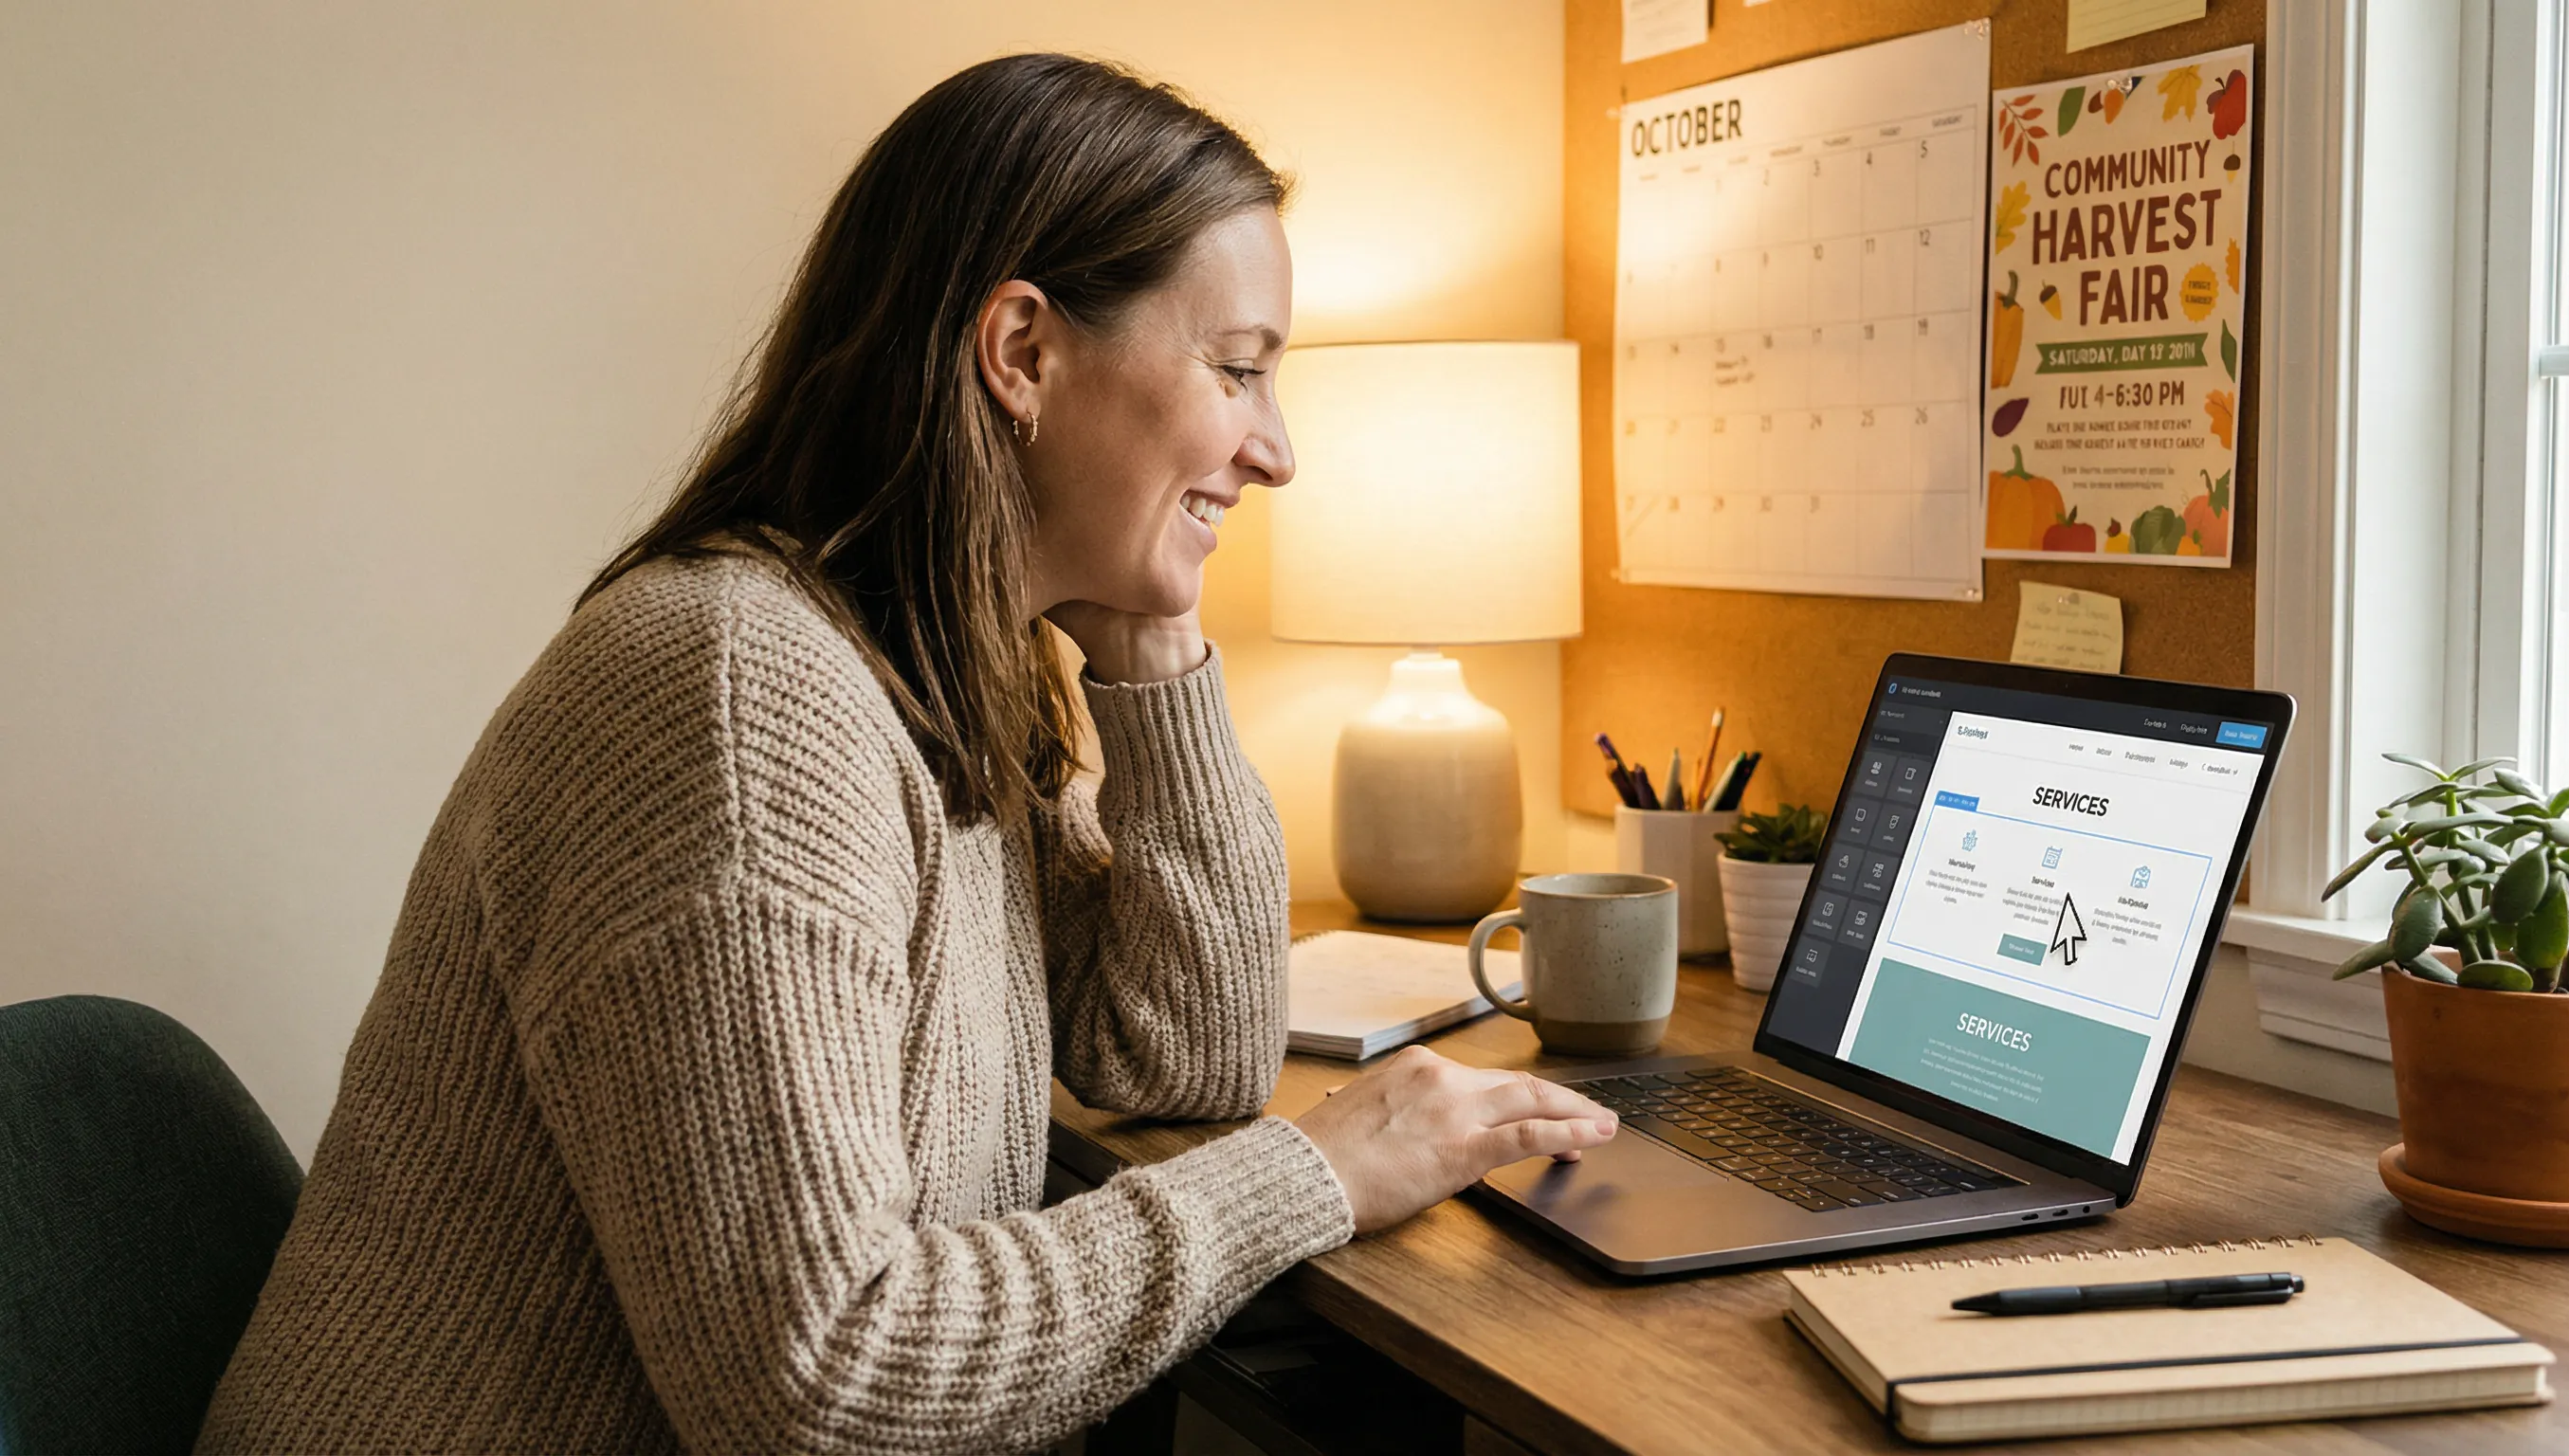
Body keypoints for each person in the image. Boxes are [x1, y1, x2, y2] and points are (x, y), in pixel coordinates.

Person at [197, 52, 1615, 1455]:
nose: (1278, 451)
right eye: (1239, 372)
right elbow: (821, 1376)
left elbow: (1191, 1053)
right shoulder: (740, 692)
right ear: (1021, 354)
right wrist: (1313, 1173)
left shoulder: (939, 671)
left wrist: (1154, 641)